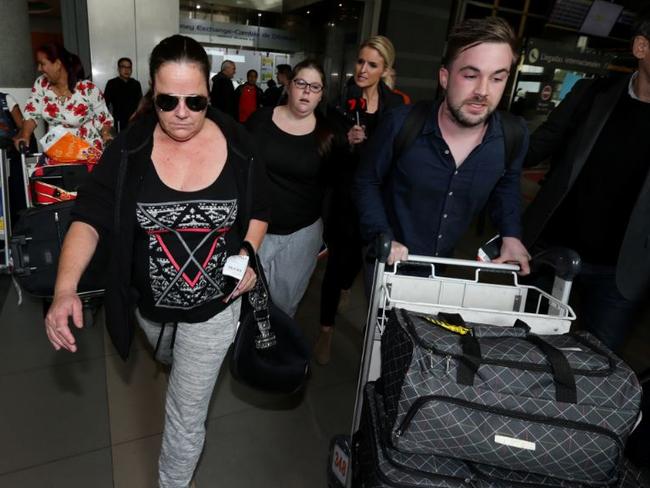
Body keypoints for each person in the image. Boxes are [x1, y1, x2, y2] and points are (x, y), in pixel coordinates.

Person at [43, 35, 269, 487]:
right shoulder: (129, 150)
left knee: (186, 415)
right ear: (152, 91)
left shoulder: (240, 143)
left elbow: (260, 208)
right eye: (167, 101)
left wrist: (246, 252)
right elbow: (88, 220)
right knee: (167, 356)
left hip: (215, 310)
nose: (181, 112)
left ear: (209, 91)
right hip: (149, 308)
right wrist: (65, 290)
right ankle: (174, 360)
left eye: (195, 100)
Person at [355, 17, 530, 283]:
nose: (483, 91)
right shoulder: (401, 124)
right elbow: (366, 180)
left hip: (442, 267)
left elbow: (507, 183)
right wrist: (382, 234)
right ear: (445, 77)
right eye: (471, 75)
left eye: (497, 78)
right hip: (387, 263)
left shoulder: (512, 135)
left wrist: (511, 235)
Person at [522, 9, 650, 352]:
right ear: (641, 48)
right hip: (552, 253)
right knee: (522, 349)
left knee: (594, 373)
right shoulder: (591, 95)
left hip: (620, 276)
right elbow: (536, 147)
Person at [315, 35, 404, 365]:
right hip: (345, 199)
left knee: (363, 265)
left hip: (378, 202)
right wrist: (345, 141)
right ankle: (325, 330)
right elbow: (327, 155)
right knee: (337, 266)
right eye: (360, 62)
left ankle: (353, 297)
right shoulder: (341, 103)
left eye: (372, 64)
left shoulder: (395, 106)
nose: (363, 69)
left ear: (384, 69)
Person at [246, 60, 334, 317]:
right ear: (290, 86)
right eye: (301, 83)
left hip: (301, 233)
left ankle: (275, 352)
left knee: (284, 305)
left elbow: (335, 186)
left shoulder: (328, 133)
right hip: (257, 228)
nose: (307, 91)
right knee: (250, 299)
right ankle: (249, 351)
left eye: (315, 87)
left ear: (321, 95)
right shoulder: (260, 120)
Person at [13, 43, 113, 153]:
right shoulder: (41, 84)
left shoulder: (87, 89)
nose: (39, 68)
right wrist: (25, 135)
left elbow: (104, 120)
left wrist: (106, 135)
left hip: (87, 152)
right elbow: (32, 113)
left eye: (42, 64)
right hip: (56, 151)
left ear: (57, 64)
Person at [104, 57, 143, 132]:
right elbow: (105, 104)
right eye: (123, 67)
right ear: (118, 69)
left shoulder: (136, 84)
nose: (126, 70)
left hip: (134, 121)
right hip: (118, 121)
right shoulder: (112, 83)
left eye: (129, 67)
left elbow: (140, 104)